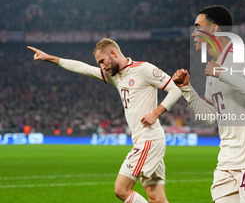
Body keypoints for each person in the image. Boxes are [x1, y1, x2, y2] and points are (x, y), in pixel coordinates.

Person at [28, 38, 182, 203]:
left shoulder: (143, 69)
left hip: (148, 140)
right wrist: (50, 58)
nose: (102, 67)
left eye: (102, 61)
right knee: (156, 198)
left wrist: (156, 113)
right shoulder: (114, 76)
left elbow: (175, 89)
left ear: (113, 53)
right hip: (145, 139)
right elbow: (84, 68)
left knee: (121, 189)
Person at [173, 5, 245, 203]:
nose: (193, 33)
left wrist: (222, 73)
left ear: (214, 29)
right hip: (227, 162)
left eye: (198, 26)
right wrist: (186, 89)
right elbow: (210, 118)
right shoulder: (211, 70)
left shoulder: (244, 53)